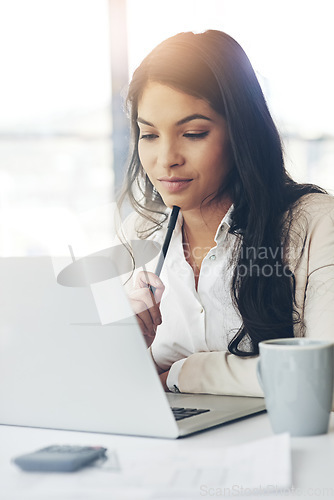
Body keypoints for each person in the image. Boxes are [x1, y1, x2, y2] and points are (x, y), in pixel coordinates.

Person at [117, 30, 334, 397]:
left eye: (194, 133)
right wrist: (126, 349)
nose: (167, 158)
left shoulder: (315, 223)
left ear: (241, 133)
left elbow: (322, 375)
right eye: (149, 135)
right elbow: (114, 387)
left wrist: (182, 373)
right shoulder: (140, 232)